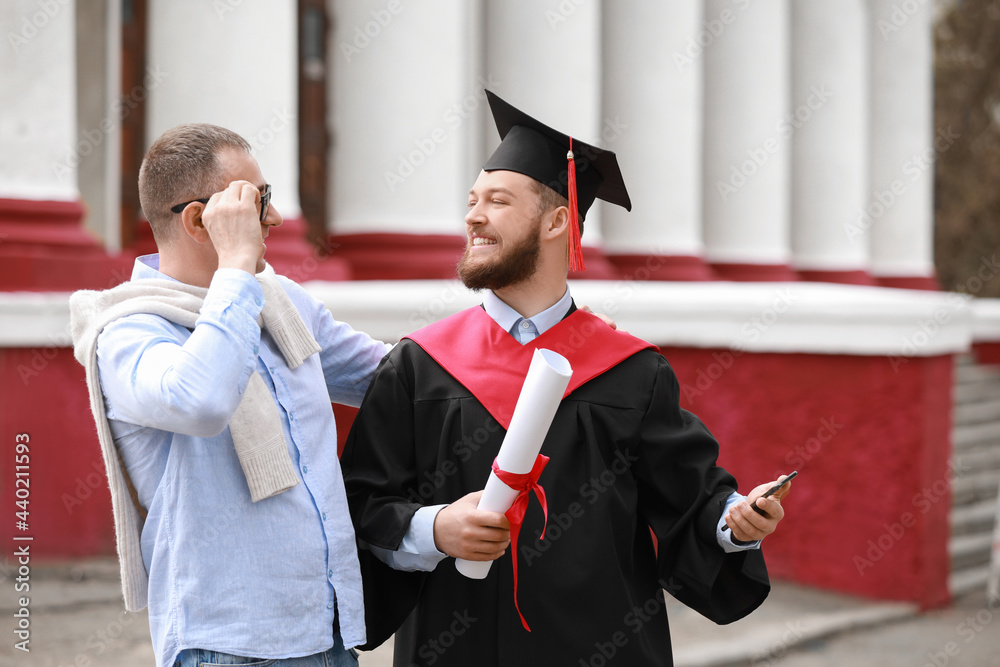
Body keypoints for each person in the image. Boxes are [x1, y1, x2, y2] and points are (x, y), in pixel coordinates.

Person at [341, 91, 793, 667]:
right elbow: (361, 503)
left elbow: (692, 500)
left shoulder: (631, 371)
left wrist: (738, 521)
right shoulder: (419, 365)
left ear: (557, 220)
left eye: (497, 201)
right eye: (472, 200)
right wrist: (434, 530)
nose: (472, 216)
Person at [70, 124, 388, 667]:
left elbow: (389, 375)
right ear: (199, 221)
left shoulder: (280, 301)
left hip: (326, 627)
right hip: (227, 643)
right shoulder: (127, 334)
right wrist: (235, 268)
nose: (276, 219)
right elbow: (201, 401)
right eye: (256, 201)